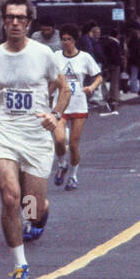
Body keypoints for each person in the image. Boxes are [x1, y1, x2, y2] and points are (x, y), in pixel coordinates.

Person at [0, 0, 70, 279]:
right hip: (4, 134)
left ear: (29, 22)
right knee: (10, 197)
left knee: (33, 207)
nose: (14, 23)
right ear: (3, 21)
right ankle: (19, 263)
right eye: (9, 17)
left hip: (36, 137)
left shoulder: (43, 55)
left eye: (20, 18)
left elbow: (64, 90)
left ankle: (41, 214)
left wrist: (54, 115)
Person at [53, 24, 101, 188]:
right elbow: (49, 78)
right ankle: (61, 165)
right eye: (63, 39)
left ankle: (73, 176)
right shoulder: (56, 56)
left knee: (73, 145)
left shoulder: (85, 58)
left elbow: (98, 76)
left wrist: (91, 87)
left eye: (69, 39)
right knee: (59, 140)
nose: (65, 42)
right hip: (60, 105)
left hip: (79, 104)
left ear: (75, 40)